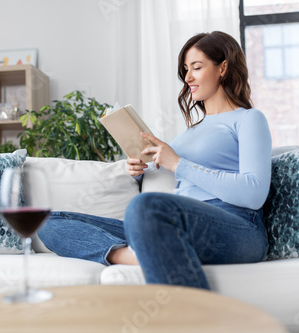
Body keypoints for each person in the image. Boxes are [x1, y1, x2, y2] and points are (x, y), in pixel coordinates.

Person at [38, 31, 272, 290]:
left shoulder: (249, 119)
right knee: (46, 222)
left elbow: (253, 193)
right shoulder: (190, 132)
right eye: (185, 69)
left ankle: (196, 316)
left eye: (196, 67)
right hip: (174, 226)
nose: (188, 77)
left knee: (144, 206)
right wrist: (140, 168)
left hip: (237, 227)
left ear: (223, 68)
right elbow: (175, 172)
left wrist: (178, 163)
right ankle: (136, 256)